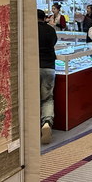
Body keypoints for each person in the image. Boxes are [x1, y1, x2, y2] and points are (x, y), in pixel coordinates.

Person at [37, 9, 57, 144]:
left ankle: (32, 126)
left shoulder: (29, 30)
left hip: (33, 67)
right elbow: (53, 43)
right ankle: (46, 123)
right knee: (47, 98)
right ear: (44, 18)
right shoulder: (50, 30)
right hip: (49, 67)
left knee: (32, 98)